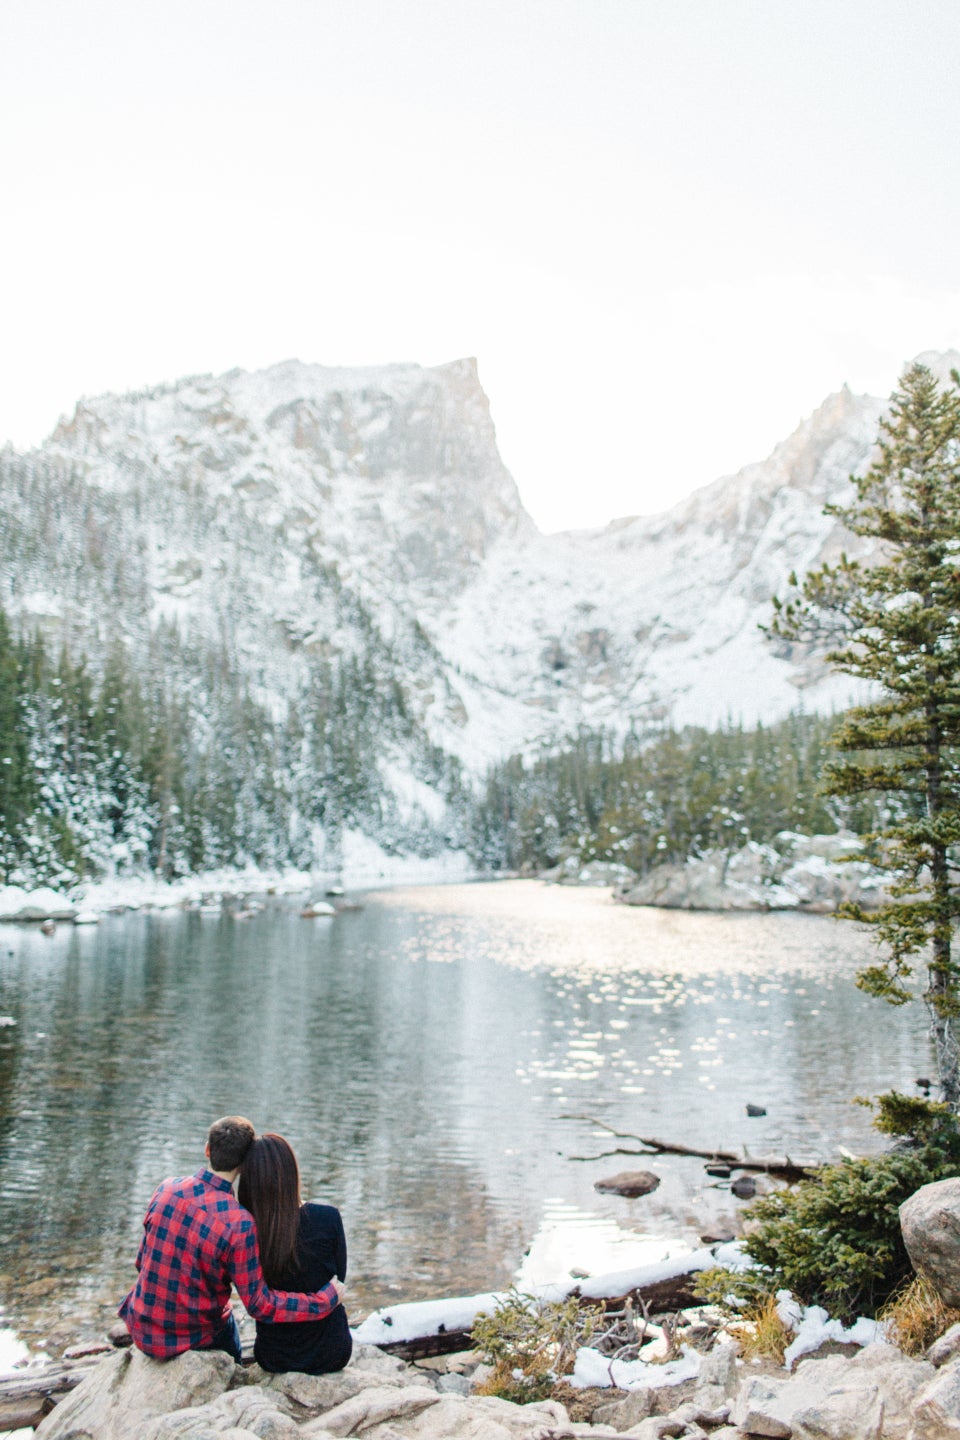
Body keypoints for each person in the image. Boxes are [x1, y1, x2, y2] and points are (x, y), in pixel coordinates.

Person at [119, 1115, 344, 1361]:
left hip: (142, 1331)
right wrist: (323, 1300)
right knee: (227, 1322)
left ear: (207, 1149)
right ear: (245, 1163)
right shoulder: (238, 1222)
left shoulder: (166, 1189)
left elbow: (142, 1262)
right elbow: (259, 1304)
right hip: (192, 1341)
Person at [237, 1132, 352, 1374]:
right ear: (292, 1174)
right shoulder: (327, 1217)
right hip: (330, 1352)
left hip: (273, 1356)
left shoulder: (245, 1232)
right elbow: (338, 1280)